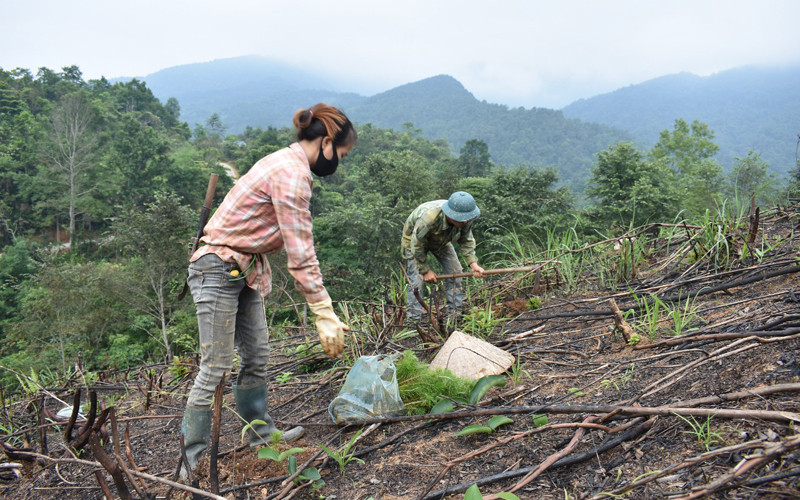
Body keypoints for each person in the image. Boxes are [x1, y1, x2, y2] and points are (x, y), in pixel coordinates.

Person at [180, 103, 355, 479]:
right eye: (340, 154)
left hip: (243, 267)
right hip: (216, 266)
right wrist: (323, 310)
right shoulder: (292, 174)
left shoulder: (284, 162)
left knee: (257, 354)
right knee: (214, 367)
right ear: (326, 142)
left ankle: (260, 437)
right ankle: (190, 461)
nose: (338, 162)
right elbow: (300, 248)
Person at [401, 191, 486, 324]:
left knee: (456, 272)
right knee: (417, 280)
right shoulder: (429, 218)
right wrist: (425, 270)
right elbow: (416, 245)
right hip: (414, 242)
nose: (466, 222)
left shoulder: (465, 220)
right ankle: (413, 322)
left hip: (441, 240)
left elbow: (466, 241)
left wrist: (473, 264)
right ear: (451, 216)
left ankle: (455, 316)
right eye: (463, 219)